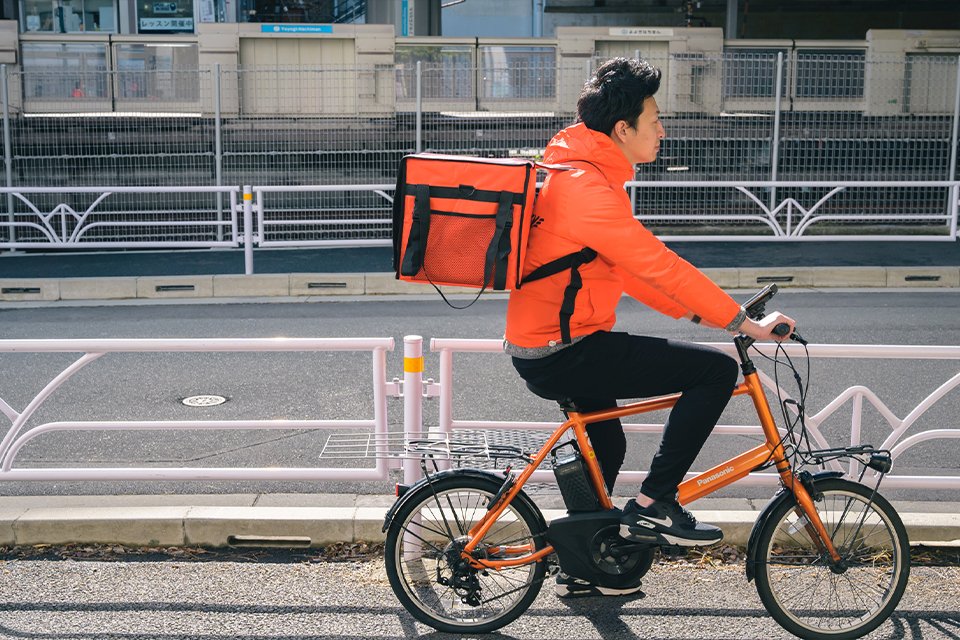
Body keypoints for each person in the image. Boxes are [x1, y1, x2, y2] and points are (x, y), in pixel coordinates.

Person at [503, 57, 795, 598]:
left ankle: (585, 562)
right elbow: (659, 264)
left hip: (552, 343)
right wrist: (742, 324)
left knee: (605, 443)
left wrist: (698, 315)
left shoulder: (579, 176)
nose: (663, 130)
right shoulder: (586, 189)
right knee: (713, 372)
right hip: (566, 349)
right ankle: (655, 504)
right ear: (622, 129)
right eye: (655, 118)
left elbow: (632, 274)